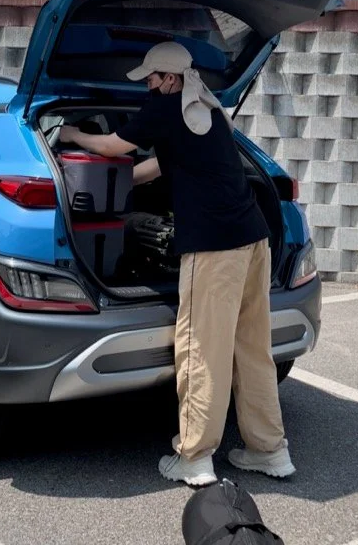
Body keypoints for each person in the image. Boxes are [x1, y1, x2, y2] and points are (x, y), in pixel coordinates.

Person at [59, 41, 295, 487]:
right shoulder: (207, 110)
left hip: (214, 249)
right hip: (254, 241)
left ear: (170, 79)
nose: (147, 85)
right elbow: (161, 167)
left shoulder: (166, 108)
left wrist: (72, 137)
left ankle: (194, 457)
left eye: (151, 78)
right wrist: (119, 182)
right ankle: (270, 450)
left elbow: (110, 144)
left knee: (201, 350)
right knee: (252, 349)